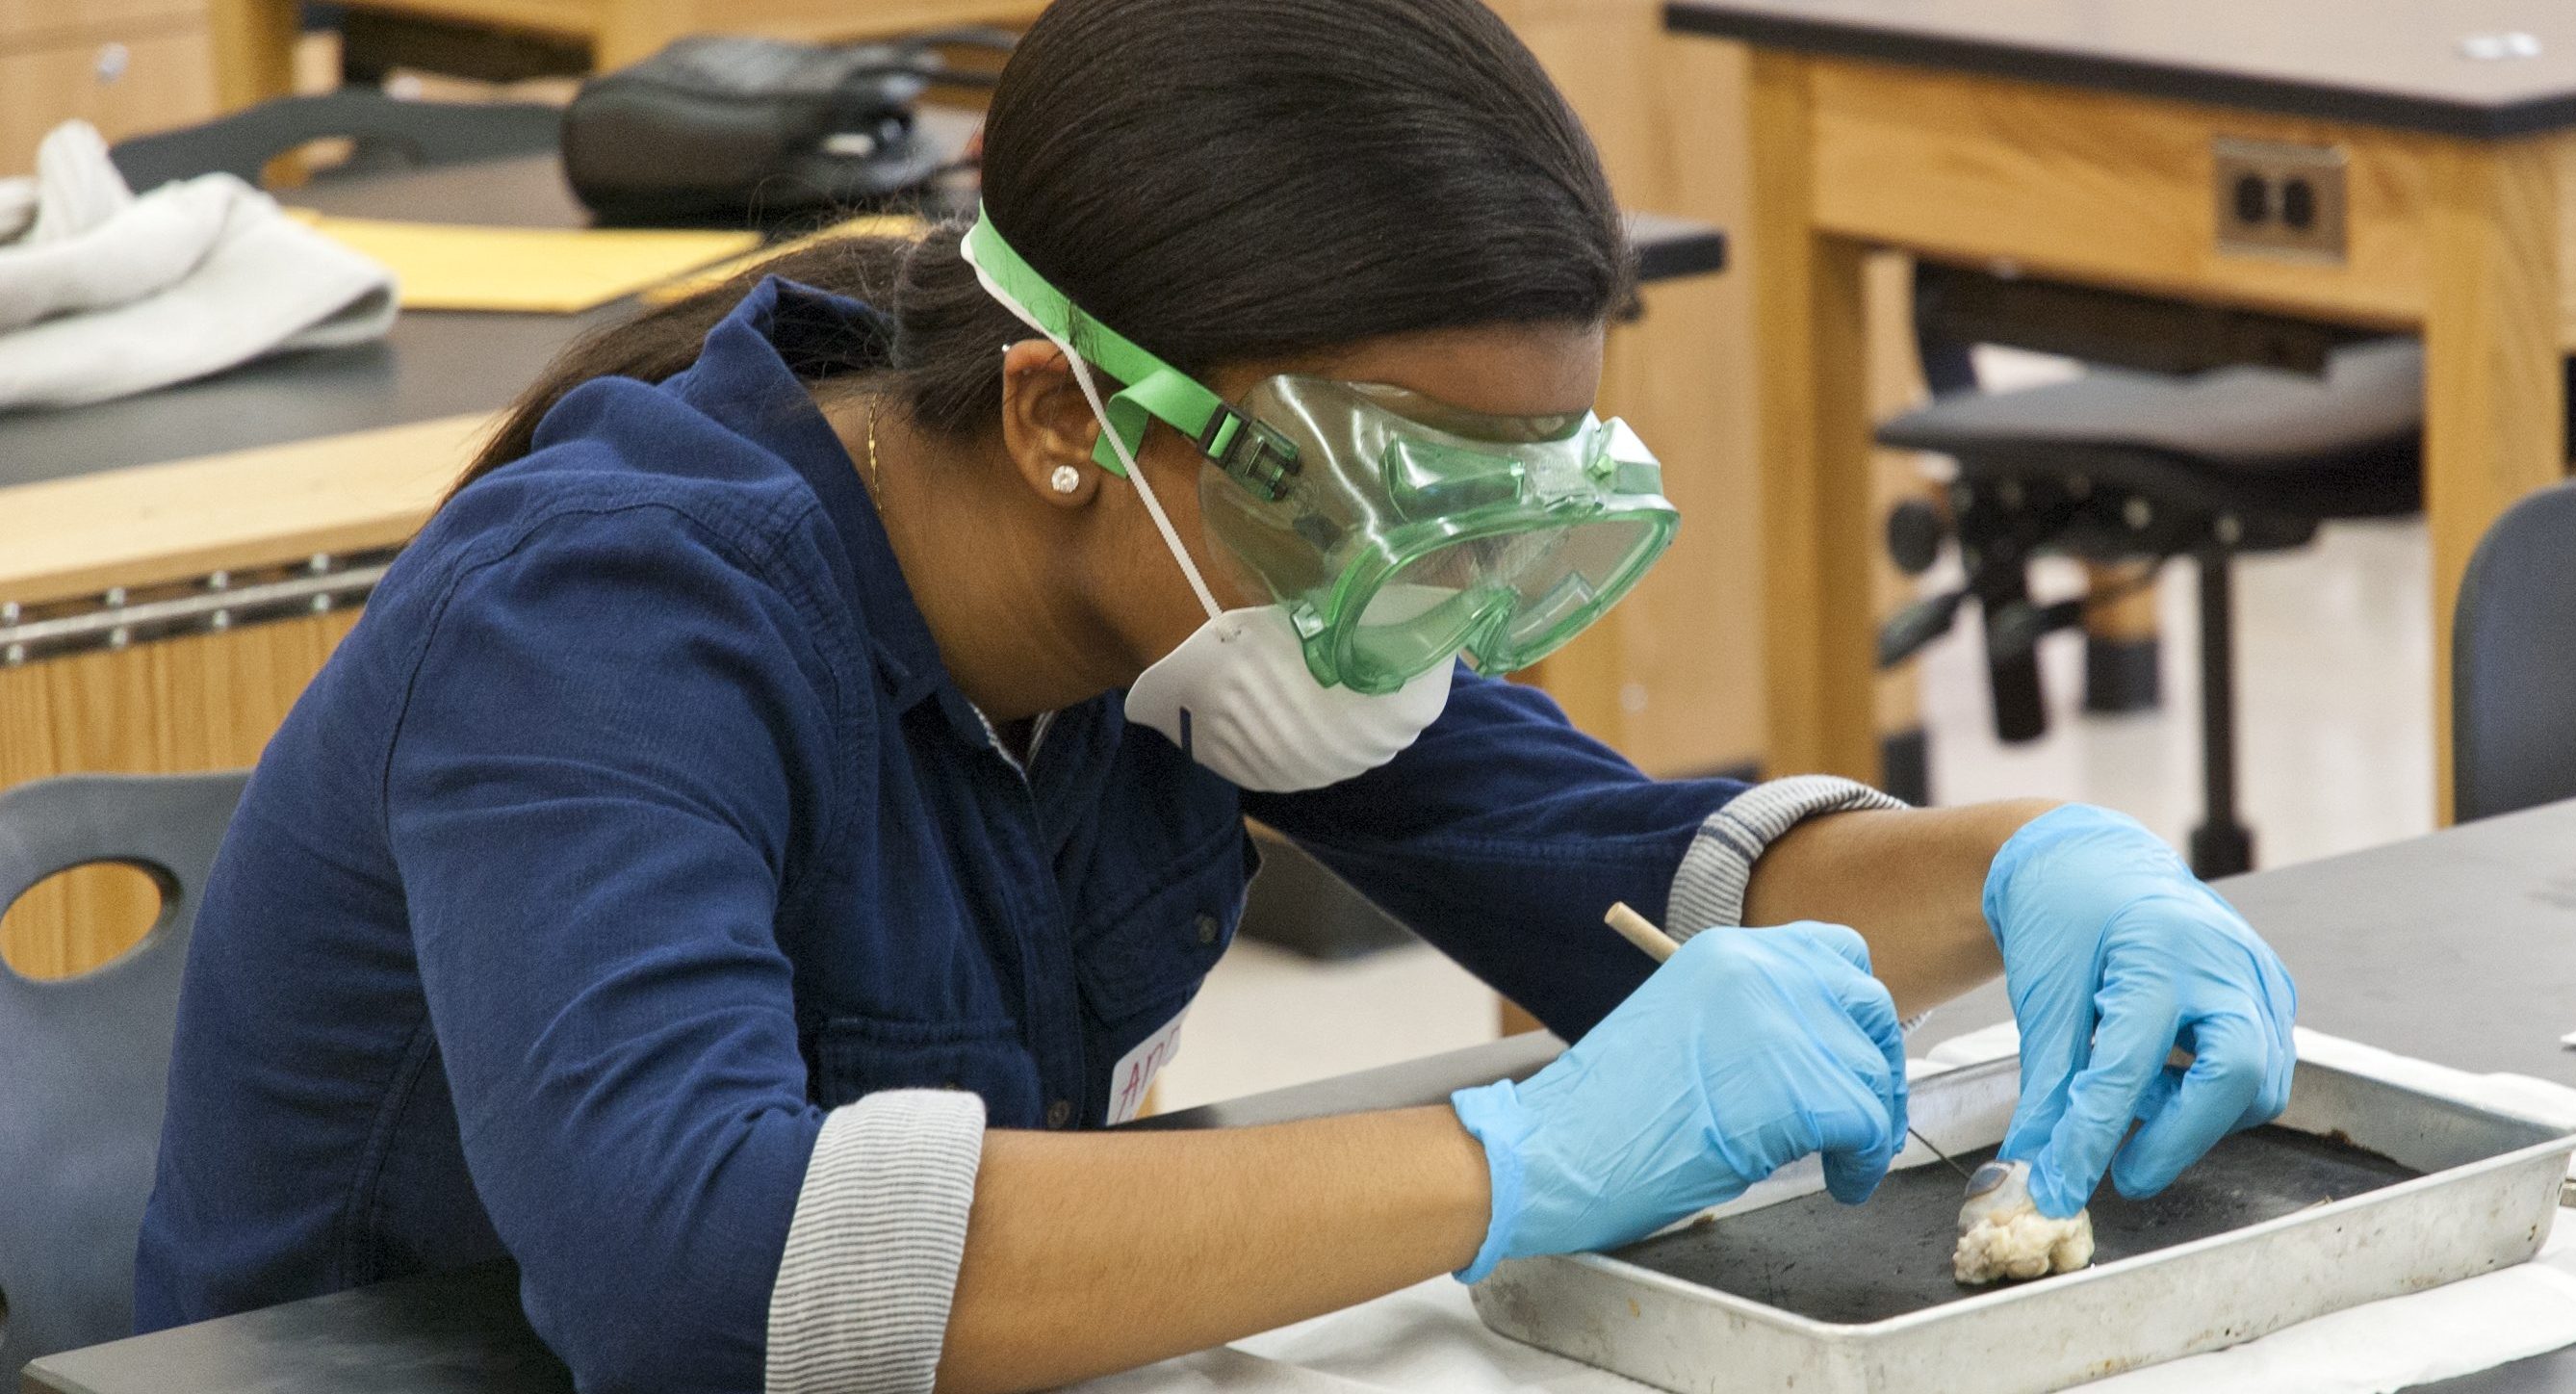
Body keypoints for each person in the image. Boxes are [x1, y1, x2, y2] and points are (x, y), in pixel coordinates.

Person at [133, 1, 2297, 1390]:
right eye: (1394, 504)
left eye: (1488, 508)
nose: (1426, 594)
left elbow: (1626, 877)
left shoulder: (1204, 587)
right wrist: (1512, 1157)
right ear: (1071, 417)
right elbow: (690, 1263)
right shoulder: (609, 617)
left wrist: (2044, 868)